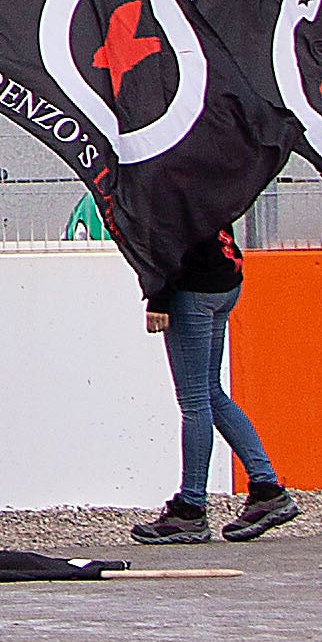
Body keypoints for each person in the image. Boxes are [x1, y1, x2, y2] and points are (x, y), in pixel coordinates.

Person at [130, 219, 299, 545]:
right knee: (210, 391)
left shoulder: (167, 173)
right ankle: (267, 488)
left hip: (193, 288)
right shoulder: (205, 170)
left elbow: (167, 237)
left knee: (194, 401)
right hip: (223, 279)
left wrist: (159, 298)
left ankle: (191, 509)